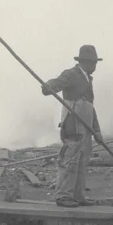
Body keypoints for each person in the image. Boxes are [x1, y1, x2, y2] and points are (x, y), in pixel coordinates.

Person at [41, 45, 103, 207]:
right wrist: (49, 86)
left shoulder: (87, 79)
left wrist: (97, 131)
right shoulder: (72, 74)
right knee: (70, 159)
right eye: (94, 62)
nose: (95, 66)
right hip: (73, 123)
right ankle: (63, 196)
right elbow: (58, 82)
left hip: (86, 125)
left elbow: (90, 107)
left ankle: (78, 195)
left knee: (82, 160)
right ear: (85, 62)